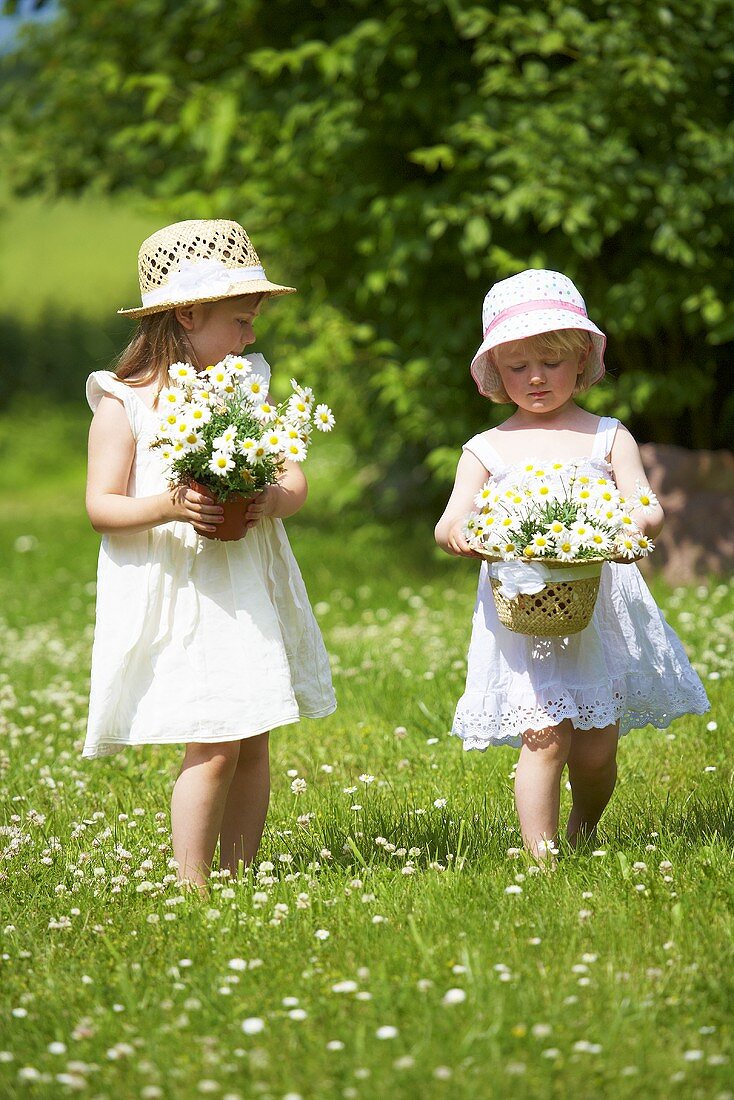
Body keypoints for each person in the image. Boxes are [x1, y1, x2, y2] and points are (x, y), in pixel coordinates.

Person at [84, 219, 336, 885]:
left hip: (244, 588)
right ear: (189, 314)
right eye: (241, 319)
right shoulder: (127, 402)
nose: (252, 335)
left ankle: (240, 874)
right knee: (215, 739)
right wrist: (167, 504)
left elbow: (293, 477)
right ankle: (193, 885)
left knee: (254, 734)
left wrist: (272, 499)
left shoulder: (245, 385)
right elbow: (101, 506)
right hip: (185, 592)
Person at [435, 269, 709, 860]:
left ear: (581, 361)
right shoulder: (488, 448)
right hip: (524, 615)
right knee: (543, 736)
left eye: (552, 363)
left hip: (595, 607)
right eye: (517, 366)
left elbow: (644, 505)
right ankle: (542, 857)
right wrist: (463, 534)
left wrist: (636, 529)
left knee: (594, 750)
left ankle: (585, 822)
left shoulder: (606, 438)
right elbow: (450, 520)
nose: (535, 377)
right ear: (495, 372)